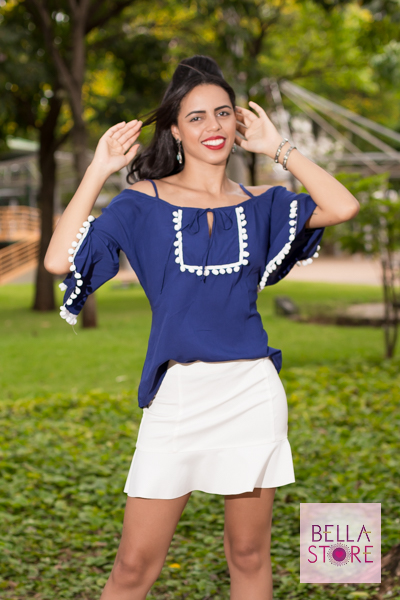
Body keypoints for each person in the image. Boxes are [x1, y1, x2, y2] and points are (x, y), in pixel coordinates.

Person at [44, 55, 359, 600]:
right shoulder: (141, 203)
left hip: (251, 392)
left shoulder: (262, 203)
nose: (212, 126)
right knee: (133, 567)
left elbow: (343, 206)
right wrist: (98, 170)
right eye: (196, 117)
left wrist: (279, 149)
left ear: (237, 122)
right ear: (175, 129)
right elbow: (57, 261)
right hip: (179, 396)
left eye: (223, 113)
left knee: (249, 555)